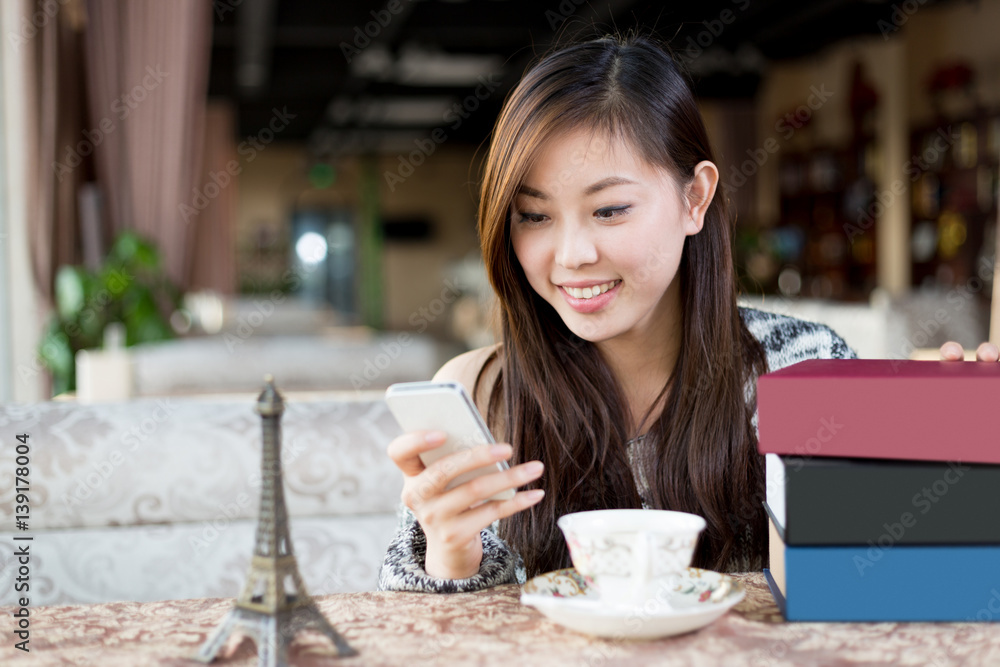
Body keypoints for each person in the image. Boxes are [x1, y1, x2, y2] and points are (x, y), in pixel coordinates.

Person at [376, 33, 1000, 594]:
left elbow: (874, 587)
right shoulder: (479, 394)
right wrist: (450, 551)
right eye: (534, 216)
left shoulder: (800, 369)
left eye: (610, 209)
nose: (571, 255)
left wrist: (960, 472)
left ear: (695, 198)